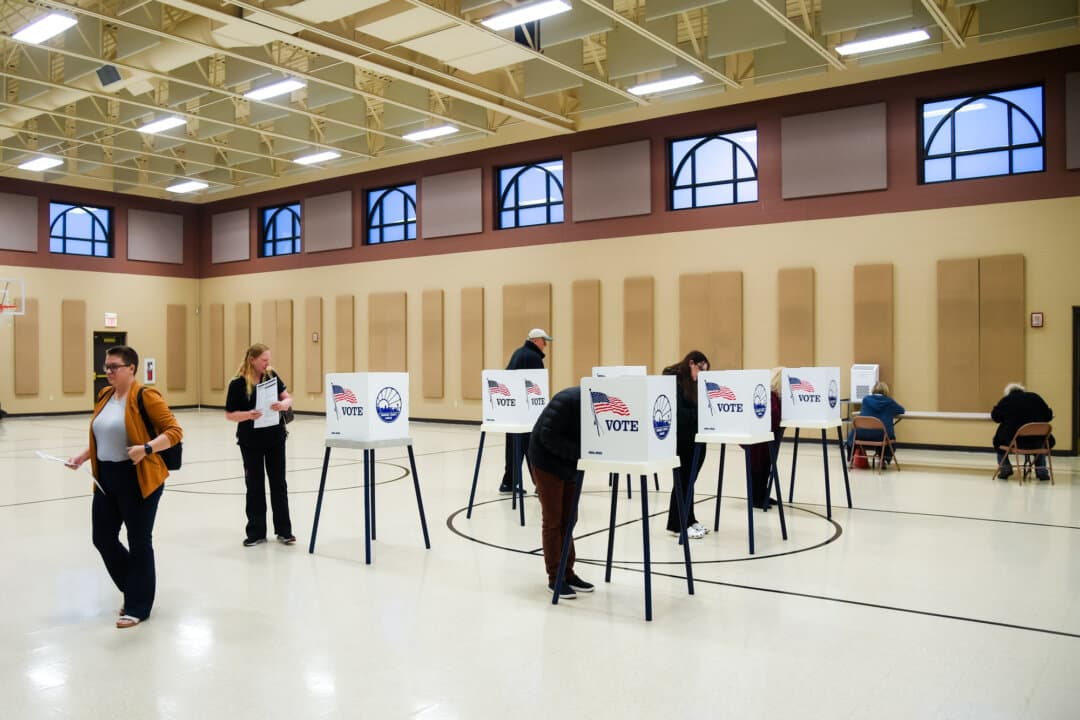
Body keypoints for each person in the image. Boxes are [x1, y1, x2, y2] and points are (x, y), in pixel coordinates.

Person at [67, 345, 182, 629]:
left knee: (139, 541)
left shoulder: (146, 396)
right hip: (106, 478)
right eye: (106, 366)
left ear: (131, 368)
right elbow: (103, 433)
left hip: (138, 477)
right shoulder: (105, 395)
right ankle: (135, 588)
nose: (108, 371)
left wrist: (147, 448)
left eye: (114, 367)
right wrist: (83, 456)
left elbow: (174, 432)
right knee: (102, 538)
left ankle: (138, 606)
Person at [226, 343, 296, 547]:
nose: (267, 363)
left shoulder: (271, 376)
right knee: (254, 486)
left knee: (279, 484)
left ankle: (284, 531)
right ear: (252, 360)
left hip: (275, 438)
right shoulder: (237, 384)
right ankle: (256, 532)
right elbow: (230, 414)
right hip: (250, 442)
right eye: (264, 360)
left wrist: (284, 404)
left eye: (268, 359)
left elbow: (287, 398)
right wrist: (248, 415)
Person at [529, 386, 594, 599]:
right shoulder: (568, 401)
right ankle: (555, 577)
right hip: (546, 462)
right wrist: (579, 453)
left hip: (571, 464)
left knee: (570, 519)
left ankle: (568, 572)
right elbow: (547, 435)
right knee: (553, 519)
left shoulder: (597, 408)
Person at [662, 351, 710, 540]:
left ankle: (689, 519)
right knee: (682, 482)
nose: (701, 376)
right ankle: (677, 524)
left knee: (690, 482)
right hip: (682, 440)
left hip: (696, 439)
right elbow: (679, 415)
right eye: (700, 369)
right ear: (691, 363)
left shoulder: (694, 384)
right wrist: (701, 415)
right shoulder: (674, 382)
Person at [499, 328, 552, 494]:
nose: (545, 345)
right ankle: (541, 485)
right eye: (544, 341)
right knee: (533, 449)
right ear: (536, 340)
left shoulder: (518, 353)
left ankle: (508, 483)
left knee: (514, 449)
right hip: (527, 413)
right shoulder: (534, 357)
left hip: (513, 411)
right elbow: (537, 386)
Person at [991, 382, 1054, 480]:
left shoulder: (1006, 400)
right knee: (1041, 441)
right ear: (1022, 390)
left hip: (1015, 442)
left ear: (1008, 393)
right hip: (1037, 441)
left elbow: (995, 417)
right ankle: (1042, 471)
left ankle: (1005, 468)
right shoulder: (1035, 397)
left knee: (998, 440)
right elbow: (1048, 415)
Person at [745, 367, 783, 509]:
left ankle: (763, 495)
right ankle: (756, 498)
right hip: (760, 440)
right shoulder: (770, 396)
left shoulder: (775, 396)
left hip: (767, 440)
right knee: (758, 468)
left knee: (765, 467)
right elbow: (772, 415)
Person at [846, 381, 905, 467]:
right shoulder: (889, 402)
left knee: (852, 434)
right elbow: (901, 410)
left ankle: (850, 460)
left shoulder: (866, 399)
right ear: (886, 391)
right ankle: (883, 460)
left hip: (862, 434)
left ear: (873, 390)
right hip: (881, 435)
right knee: (887, 436)